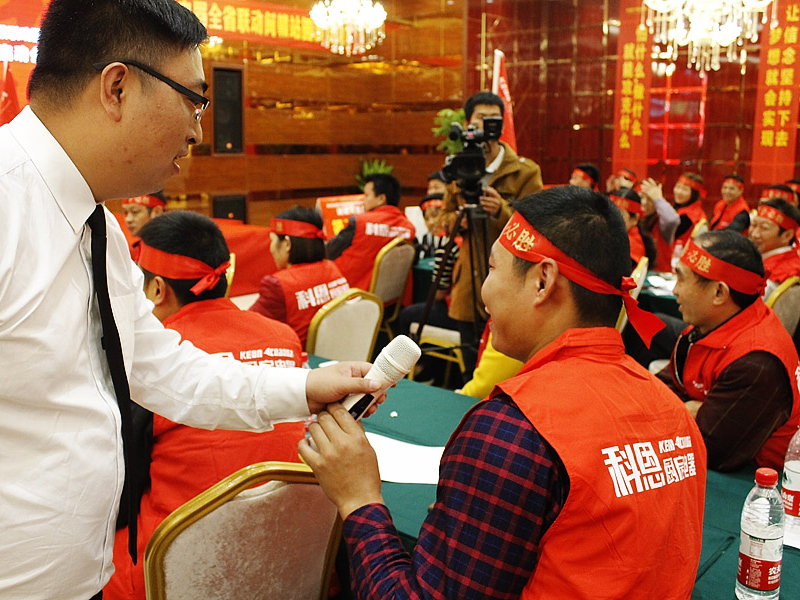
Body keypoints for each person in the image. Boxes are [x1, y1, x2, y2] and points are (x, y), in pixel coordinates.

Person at [0, 1, 378, 596]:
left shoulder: (96, 223)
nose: (198, 129)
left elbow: (158, 368)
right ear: (118, 88)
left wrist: (303, 388)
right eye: (193, 99)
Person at [301, 186, 706, 599]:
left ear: (542, 281)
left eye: (492, 268)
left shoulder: (513, 430)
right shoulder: (674, 412)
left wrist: (359, 498)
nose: (483, 291)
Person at [105, 211, 307, 600]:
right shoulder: (284, 336)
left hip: (179, 569)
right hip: (289, 560)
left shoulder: (149, 364)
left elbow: (120, 482)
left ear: (157, 289)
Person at [656, 231, 800, 472]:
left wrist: (688, 409)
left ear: (719, 293)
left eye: (681, 279)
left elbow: (711, 451)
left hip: (755, 482)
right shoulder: (711, 324)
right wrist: (690, 409)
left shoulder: (758, 362)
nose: (675, 290)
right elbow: (662, 388)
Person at [440, 90, 543, 378]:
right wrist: (457, 221)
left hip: (513, 286)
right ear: (467, 124)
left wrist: (502, 211)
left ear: (501, 125)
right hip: (468, 284)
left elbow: (537, 229)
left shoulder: (525, 172)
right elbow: (443, 218)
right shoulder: (459, 167)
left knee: (503, 373)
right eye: (479, 119)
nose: (485, 127)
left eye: (492, 120)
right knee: (468, 370)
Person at [250, 207, 350, 345]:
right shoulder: (332, 269)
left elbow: (249, 327)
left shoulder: (278, 285)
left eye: (272, 240)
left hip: (299, 356)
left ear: (287, 244)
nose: (270, 248)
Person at [327, 173, 414, 290]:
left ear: (381, 199)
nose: (363, 201)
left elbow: (329, 251)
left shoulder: (359, 222)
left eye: (367, 195)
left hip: (350, 293)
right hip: (389, 296)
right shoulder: (409, 228)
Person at [749, 196, 800, 297]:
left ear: (787, 236)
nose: (754, 234)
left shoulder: (782, 274)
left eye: (764, 228)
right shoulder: (761, 257)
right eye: (754, 225)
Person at [635, 177, 685, 273]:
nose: (644, 203)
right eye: (641, 197)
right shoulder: (632, 220)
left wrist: (658, 198)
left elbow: (672, 220)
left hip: (658, 276)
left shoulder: (662, 224)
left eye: (650, 199)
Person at [609, 187, 656, 269]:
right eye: (610, 213)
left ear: (635, 219)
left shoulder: (632, 245)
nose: (612, 219)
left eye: (620, 215)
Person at [122, 191, 166, 260]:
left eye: (135, 212)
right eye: (125, 213)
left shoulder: (171, 249)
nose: (128, 219)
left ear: (157, 212)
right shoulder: (133, 252)